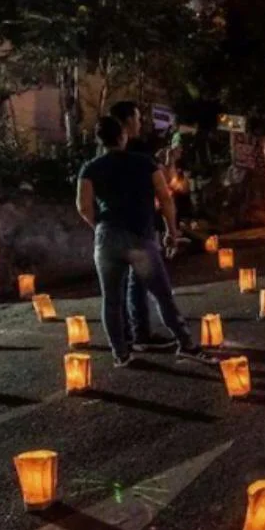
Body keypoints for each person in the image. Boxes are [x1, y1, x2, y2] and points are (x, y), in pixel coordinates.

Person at [76, 118, 214, 367]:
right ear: (123, 136)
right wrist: (171, 231)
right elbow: (165, 199)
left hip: (106, 238)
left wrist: (99, 226)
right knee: (161, 294)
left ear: (99, 140)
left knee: (111, 299)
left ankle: (121, 354)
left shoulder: (90, 168)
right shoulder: (143, 162)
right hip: (139, 236)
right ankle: (186, 344)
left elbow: (83, 206)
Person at [108, 101, 176, 353]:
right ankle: (141, 334)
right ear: (126, 123)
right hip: (140, 224)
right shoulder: (138, 152)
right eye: (137, 119)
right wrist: (169, 162)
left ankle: (125, 336)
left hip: (112, 228)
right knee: (140, 281)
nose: (140, 123)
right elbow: (164, 185)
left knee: (120, 284)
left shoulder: (103, 156)